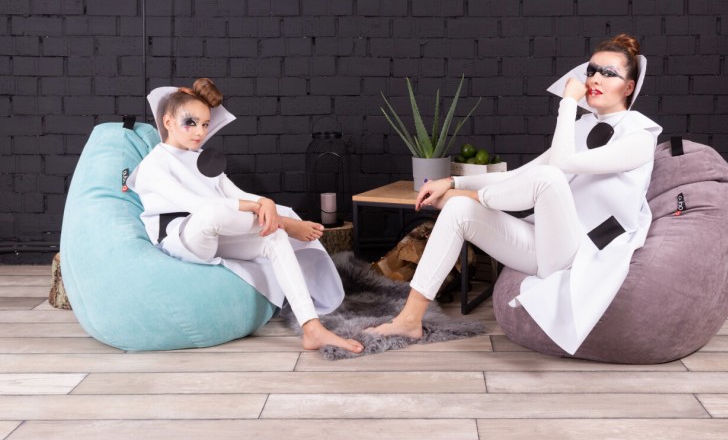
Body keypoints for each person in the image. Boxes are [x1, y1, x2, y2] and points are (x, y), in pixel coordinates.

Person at [368, 35, 662, 355]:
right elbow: (521, 174)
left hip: (583, 255)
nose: (594, 79)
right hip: (545, 245)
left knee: (549, 177)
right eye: (591, 70)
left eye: (608, 73)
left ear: (629, 87)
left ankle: (476, 199)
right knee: (457, 211)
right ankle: (410, 320)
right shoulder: (580, 128)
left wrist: (567, 104)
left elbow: (558, 166)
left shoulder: (640, 137)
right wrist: (453, 182)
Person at [128, 78, 363, 355]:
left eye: (205, 124)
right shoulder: (153, 165)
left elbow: (236, 193)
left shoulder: (200, 158)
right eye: (191, 122)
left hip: (217, 233)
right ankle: (285, 224)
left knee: (274, 238)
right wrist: (264, 210)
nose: (200, 131)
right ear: (167, 122)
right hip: (181, 238)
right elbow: (197, 204)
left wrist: (265, 202)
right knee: (213, 212)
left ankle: (312, 328)